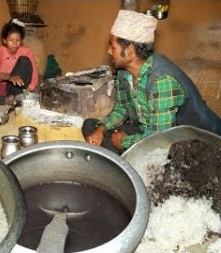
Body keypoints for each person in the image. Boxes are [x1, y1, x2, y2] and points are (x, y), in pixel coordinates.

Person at [83, 10, 221, 154]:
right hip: (150, 131)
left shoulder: (162, 81)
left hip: (194, 143)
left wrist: (125, 142)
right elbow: (121, 110)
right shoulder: (125, 73)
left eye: (113, 47)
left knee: (142, 150)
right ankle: (125, 159)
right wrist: (101, 129)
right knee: (90, 126)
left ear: (130, 50)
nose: (109, 51)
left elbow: (161, 140)